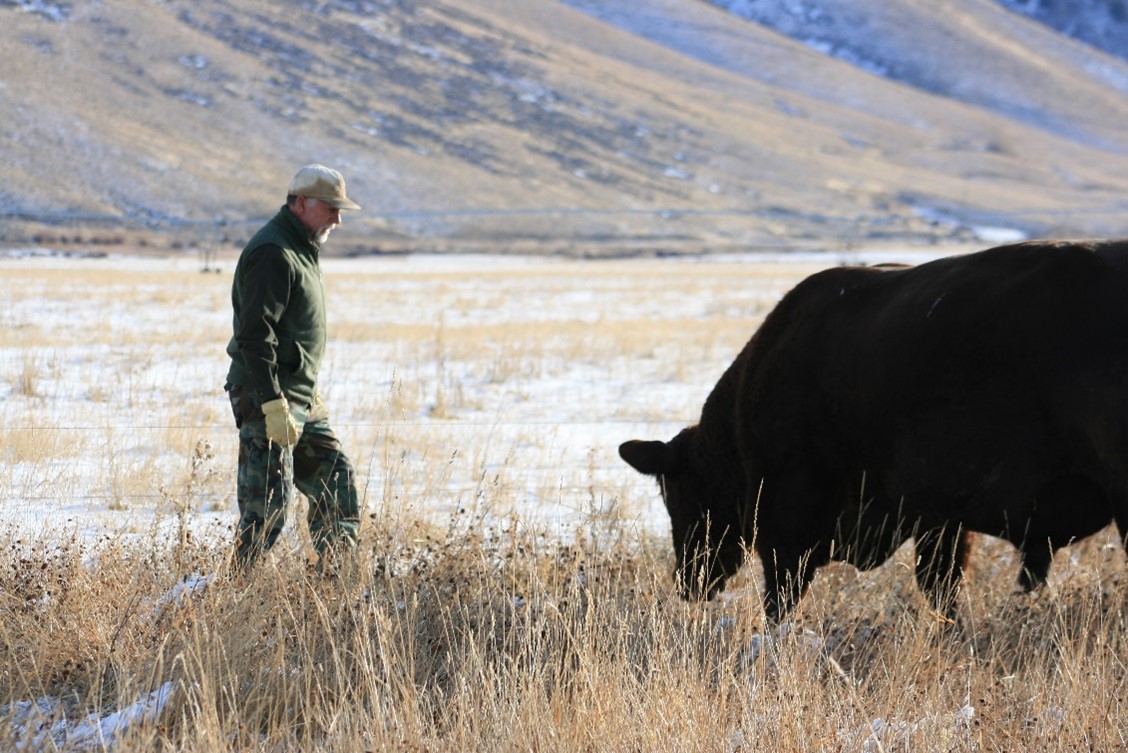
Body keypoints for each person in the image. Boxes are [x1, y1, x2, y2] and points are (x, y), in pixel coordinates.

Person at [223, 164, 362, 572]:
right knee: (266, 508)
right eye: (331, 209)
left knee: (336, 478)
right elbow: (253, 336)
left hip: (299, 397)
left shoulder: (301, 247)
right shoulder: (274, 252)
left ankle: (336, 586)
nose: (338, 219)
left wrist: (304, 390)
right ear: (301, 203)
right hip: (268, 396)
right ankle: (237, 595)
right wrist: (271, 403)